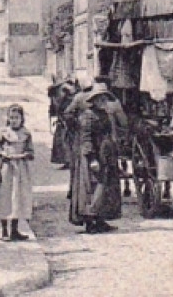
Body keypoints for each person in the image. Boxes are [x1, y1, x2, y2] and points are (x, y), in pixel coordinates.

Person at [67, 84, 125, 234]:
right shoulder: (88, 115)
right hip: (92, 156)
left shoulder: (104, 113)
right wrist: (92, 158)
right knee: (91, 188)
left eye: (105, 98)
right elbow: (86, 138)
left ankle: (100, 219)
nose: (103, 101)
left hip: (105, 154)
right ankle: (89, 221)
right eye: (100, 98)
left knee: (104, 187)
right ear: (94, 99)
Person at [0, 103, 35, 241]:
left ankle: (15, 230)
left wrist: (23, 155)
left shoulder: (26, 134)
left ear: (22, 119)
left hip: (21, 171)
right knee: (5, 198)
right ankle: (4, 231)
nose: (14, 120)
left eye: (17, 117)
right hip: (6, 169)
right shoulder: (4, 133)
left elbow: (31, 153)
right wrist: (1, 153)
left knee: (18, 199)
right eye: (11, 117)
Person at [48, 77, 80, 168]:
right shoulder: (54, 95)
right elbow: (53, 109)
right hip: (62, 120)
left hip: (69, 120)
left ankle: (70, 161)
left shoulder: (70, 95)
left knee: (68, 140)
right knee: (62, 141)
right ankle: (67, 161)